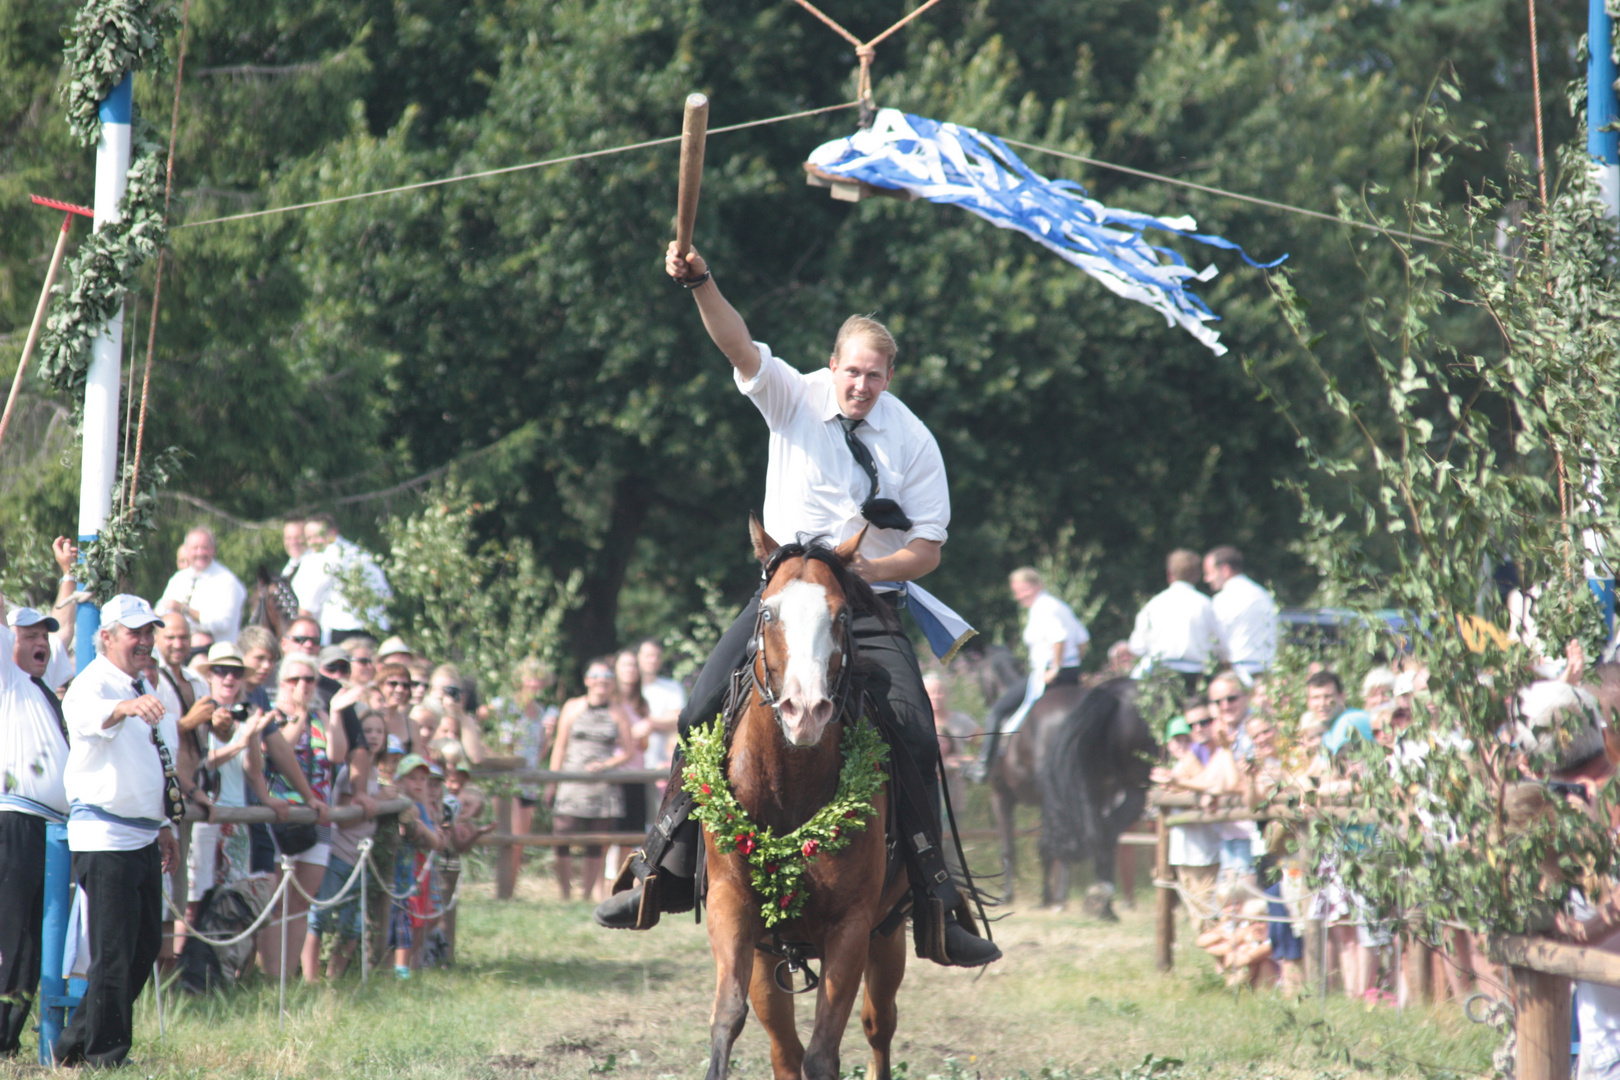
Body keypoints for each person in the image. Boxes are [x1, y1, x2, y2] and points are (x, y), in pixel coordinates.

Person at [594, 242, 1000, 968]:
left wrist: (868, 569)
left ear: (890, 376)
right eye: (852, 372)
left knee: (914, 729)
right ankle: (662, 866)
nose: (861, 386)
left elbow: (930, 547)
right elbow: (736, 342)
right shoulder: (792, 394)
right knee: (697, 709)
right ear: (833, 365)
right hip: (783, 599)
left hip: (865, 609)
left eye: (875, 376)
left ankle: (936, 895)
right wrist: (701, 282)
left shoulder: (913, 439)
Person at [55, 595, 180, 1068]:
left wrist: (165, 823)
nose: (146, 641)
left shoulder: (138, 683)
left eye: (150, 632)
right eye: (135, 632)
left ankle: (75, 1045)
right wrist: (126, 705)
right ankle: (106, 1057)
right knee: (112, 952)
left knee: (142, 947)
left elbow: (150, 761)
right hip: (106, 838)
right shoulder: (93, 682)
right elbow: (89, 719)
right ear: (107, 636)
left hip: (142, 835)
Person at [0, 592, 76, 1056]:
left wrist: (68, 577)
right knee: (9, 935)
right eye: (28, 635)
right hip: (14, 819)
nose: (40, 642)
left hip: (47, 828)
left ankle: (8, 1040)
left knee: (33, 943)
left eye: (43, 637)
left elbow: (65, 628)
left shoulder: (42, 688)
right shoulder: (8, 679)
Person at [253, 653, 334, 981]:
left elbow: (335, 753)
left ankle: (288, 977)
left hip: (318, 815)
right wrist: (298, 718)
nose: (302, 686)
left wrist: (328, 716)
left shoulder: (322, 717)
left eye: (309, 679)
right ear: (281, 683)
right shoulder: (271, 716)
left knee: (301, 902)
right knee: (275, 902)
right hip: (279, 814)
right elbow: (276, 750)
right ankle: (270, 978)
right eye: (294, 679)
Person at [968, 567, 1089, 780]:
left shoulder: (1044, 607)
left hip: (1049, 675)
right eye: (1016, 591)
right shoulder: (1059, 606)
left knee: (997, 710)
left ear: (1037, 585)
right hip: (1071, 673)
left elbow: (1059, 638)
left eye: (1023, 590)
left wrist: (1056, 667)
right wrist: (1074, 663)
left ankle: (983, 765)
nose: (1019, 596)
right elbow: (1083, 640)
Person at [551, 658, 637, 902]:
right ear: (587, 680)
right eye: (596, 676)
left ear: (612, 684)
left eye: (607, 677)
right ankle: (564, 894)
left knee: (597, 842)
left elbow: (629, 752)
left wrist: (606, 765)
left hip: (602, 786)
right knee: (562, 835)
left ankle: (586, 895)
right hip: (571, 781)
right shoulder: (572, 706)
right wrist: (552, 781)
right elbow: (560, 745)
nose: (602, 681)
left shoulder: (618, 712)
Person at [308, 712, 383, 981]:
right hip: (340, 853)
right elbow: (346, 820)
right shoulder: (350, 773)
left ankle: (335, 978)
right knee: (321, 917)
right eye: (369, 731)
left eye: (379, 731)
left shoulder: (375, 772)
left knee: (353, 924)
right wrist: (380, 802)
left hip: (359, 857)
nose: (374, 736)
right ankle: (310, 979)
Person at [1129, 549, 1227, 689]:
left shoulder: (1153, 605)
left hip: (1161, 675)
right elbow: (1220, 646)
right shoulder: (1206, 605)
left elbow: (1137, 646)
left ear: (1170, 574)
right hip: (1197, 678)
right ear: (1197, 575)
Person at [292, 512, 391, 645]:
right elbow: (386, 594)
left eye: (317, 536)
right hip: (375, 630)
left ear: (333, 532)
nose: (312, 542)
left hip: (340, 632)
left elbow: (307, 606)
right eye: (309, 538)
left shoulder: (322, 558)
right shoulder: (361, 553)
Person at [502, 658, 557, 885]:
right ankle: (503, 886)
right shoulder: (507, 707)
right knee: (511, 837)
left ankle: (510, 888)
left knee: (521, 840)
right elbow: (503, 746)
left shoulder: (541, 711)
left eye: (539, 679)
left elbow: (539, 754)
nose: (535, 683)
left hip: (530, 781)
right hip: (510, 781)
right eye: (530, 678)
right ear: (520, 679)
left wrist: (549, 735)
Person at [157, 527, 247, 645]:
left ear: (213, 550)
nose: (200, 553)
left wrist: (185, 609)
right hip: (179, 650)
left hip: (215, 653)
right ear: (187, 551)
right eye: (195, 548)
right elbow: (160, 610)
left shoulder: (227, 581)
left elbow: (223, 624)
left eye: (205, 548)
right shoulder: (178, 578)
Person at [1202, 546, 1278, 675]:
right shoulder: (1263, 594)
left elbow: (1215, 640)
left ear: (1225, 570)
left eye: (1210, 573)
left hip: (1238, 671)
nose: (1207, 579)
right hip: (1266, 669)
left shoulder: (1223, 600)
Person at [636, 639, 685, 772]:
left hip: (662, 766)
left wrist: (648, 723)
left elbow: (678, 719)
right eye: (648, 656)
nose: (653, 660)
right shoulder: (628, 689)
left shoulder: (672, 687)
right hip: (631, 765)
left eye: (657, 656)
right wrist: (662, 723)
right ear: (638, 657)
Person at [235, 625, 280, 712]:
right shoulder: (229, 690)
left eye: (271, 660)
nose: (267, 666)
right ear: (241, 655)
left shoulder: (260, 693)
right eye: (260, 658)